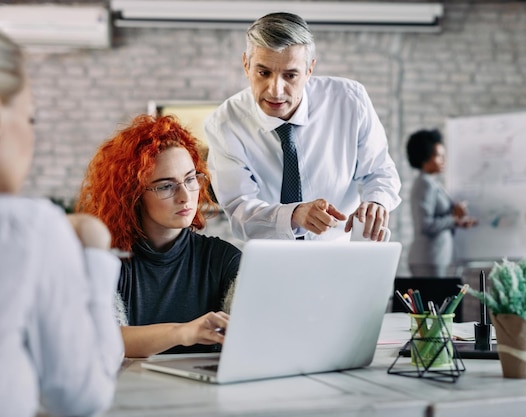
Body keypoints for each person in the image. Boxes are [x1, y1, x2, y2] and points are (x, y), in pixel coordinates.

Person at [0, 31, 123, 417]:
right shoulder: (28, 227)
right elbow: (81, 398)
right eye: (30, 117)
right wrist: (93, 253)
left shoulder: (216, 256)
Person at [204, 12, 401, 242]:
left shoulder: (350, 101)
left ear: (309, 70)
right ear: (246, 65)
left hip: (339, 253)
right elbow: (240, 212)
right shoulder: (225, 125)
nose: (276, 90)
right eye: (263, 72)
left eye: (290, 75)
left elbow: (380, 171)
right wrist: (294, 215)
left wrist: (376, 201)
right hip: (271, 261)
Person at [75, 114, 240, 358]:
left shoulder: (223, 259)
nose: (185, 196)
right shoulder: (107, 262)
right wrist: (183, 333)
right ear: (132, 195)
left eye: (190, 179)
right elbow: (101, 337)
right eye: (166, 186)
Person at [406, 129, 477, 277]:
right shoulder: (424, 184)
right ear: (424, 157)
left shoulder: (432, 183)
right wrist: (454, 220)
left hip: (436, 258)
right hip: (428, 259)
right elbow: (425, 224)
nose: (444, 160)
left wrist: (455, 217)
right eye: (439, 156)